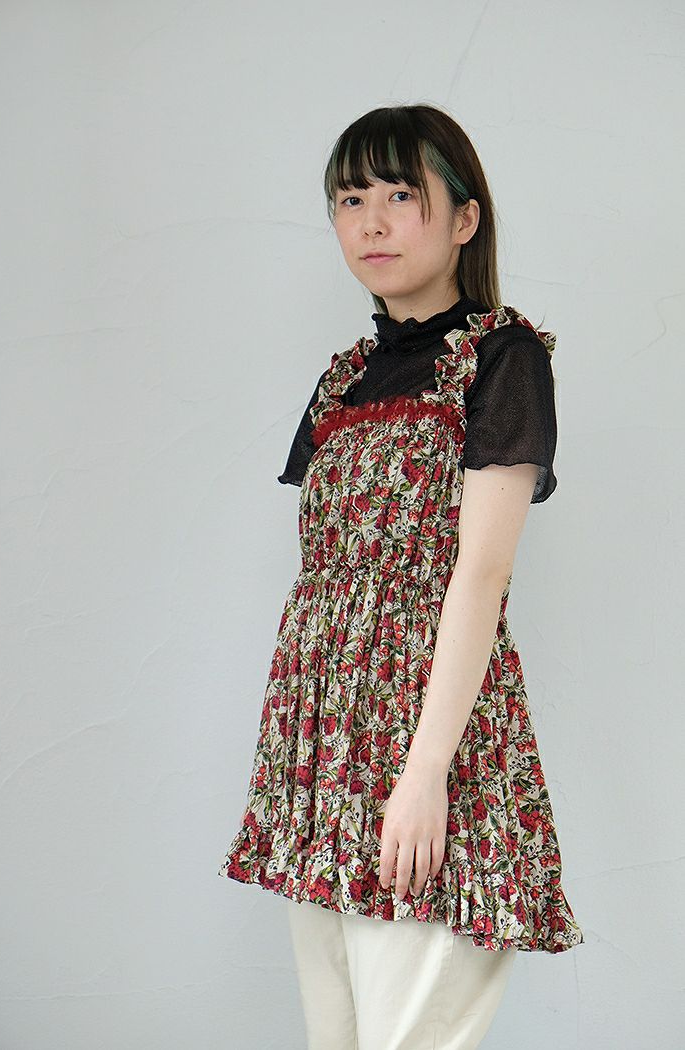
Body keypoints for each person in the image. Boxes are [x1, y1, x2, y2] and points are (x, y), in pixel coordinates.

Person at [218, 103, 585, 1049]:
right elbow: (330, 583)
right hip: (321, 757)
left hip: (428, 750)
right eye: (350, 200)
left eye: (400, 195)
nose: (371, 222)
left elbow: (480, 577)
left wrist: (424, 777)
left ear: (464, 218)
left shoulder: (501, 360)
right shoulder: (345, 378)